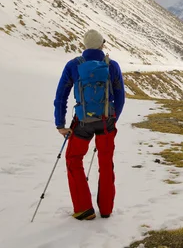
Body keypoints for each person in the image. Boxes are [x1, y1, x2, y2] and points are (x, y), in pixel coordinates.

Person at [53, 29, 125, 220]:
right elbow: (120, 96)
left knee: (73, 158)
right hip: (106, 122)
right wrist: (112, 119)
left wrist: (60, 124)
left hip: (83, 122)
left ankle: (84, 208)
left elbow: (61, 96)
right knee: (106, 163)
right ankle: (107, 209)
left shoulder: (73, 65)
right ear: (102, 44)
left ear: (84, 46)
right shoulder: (112, 65)